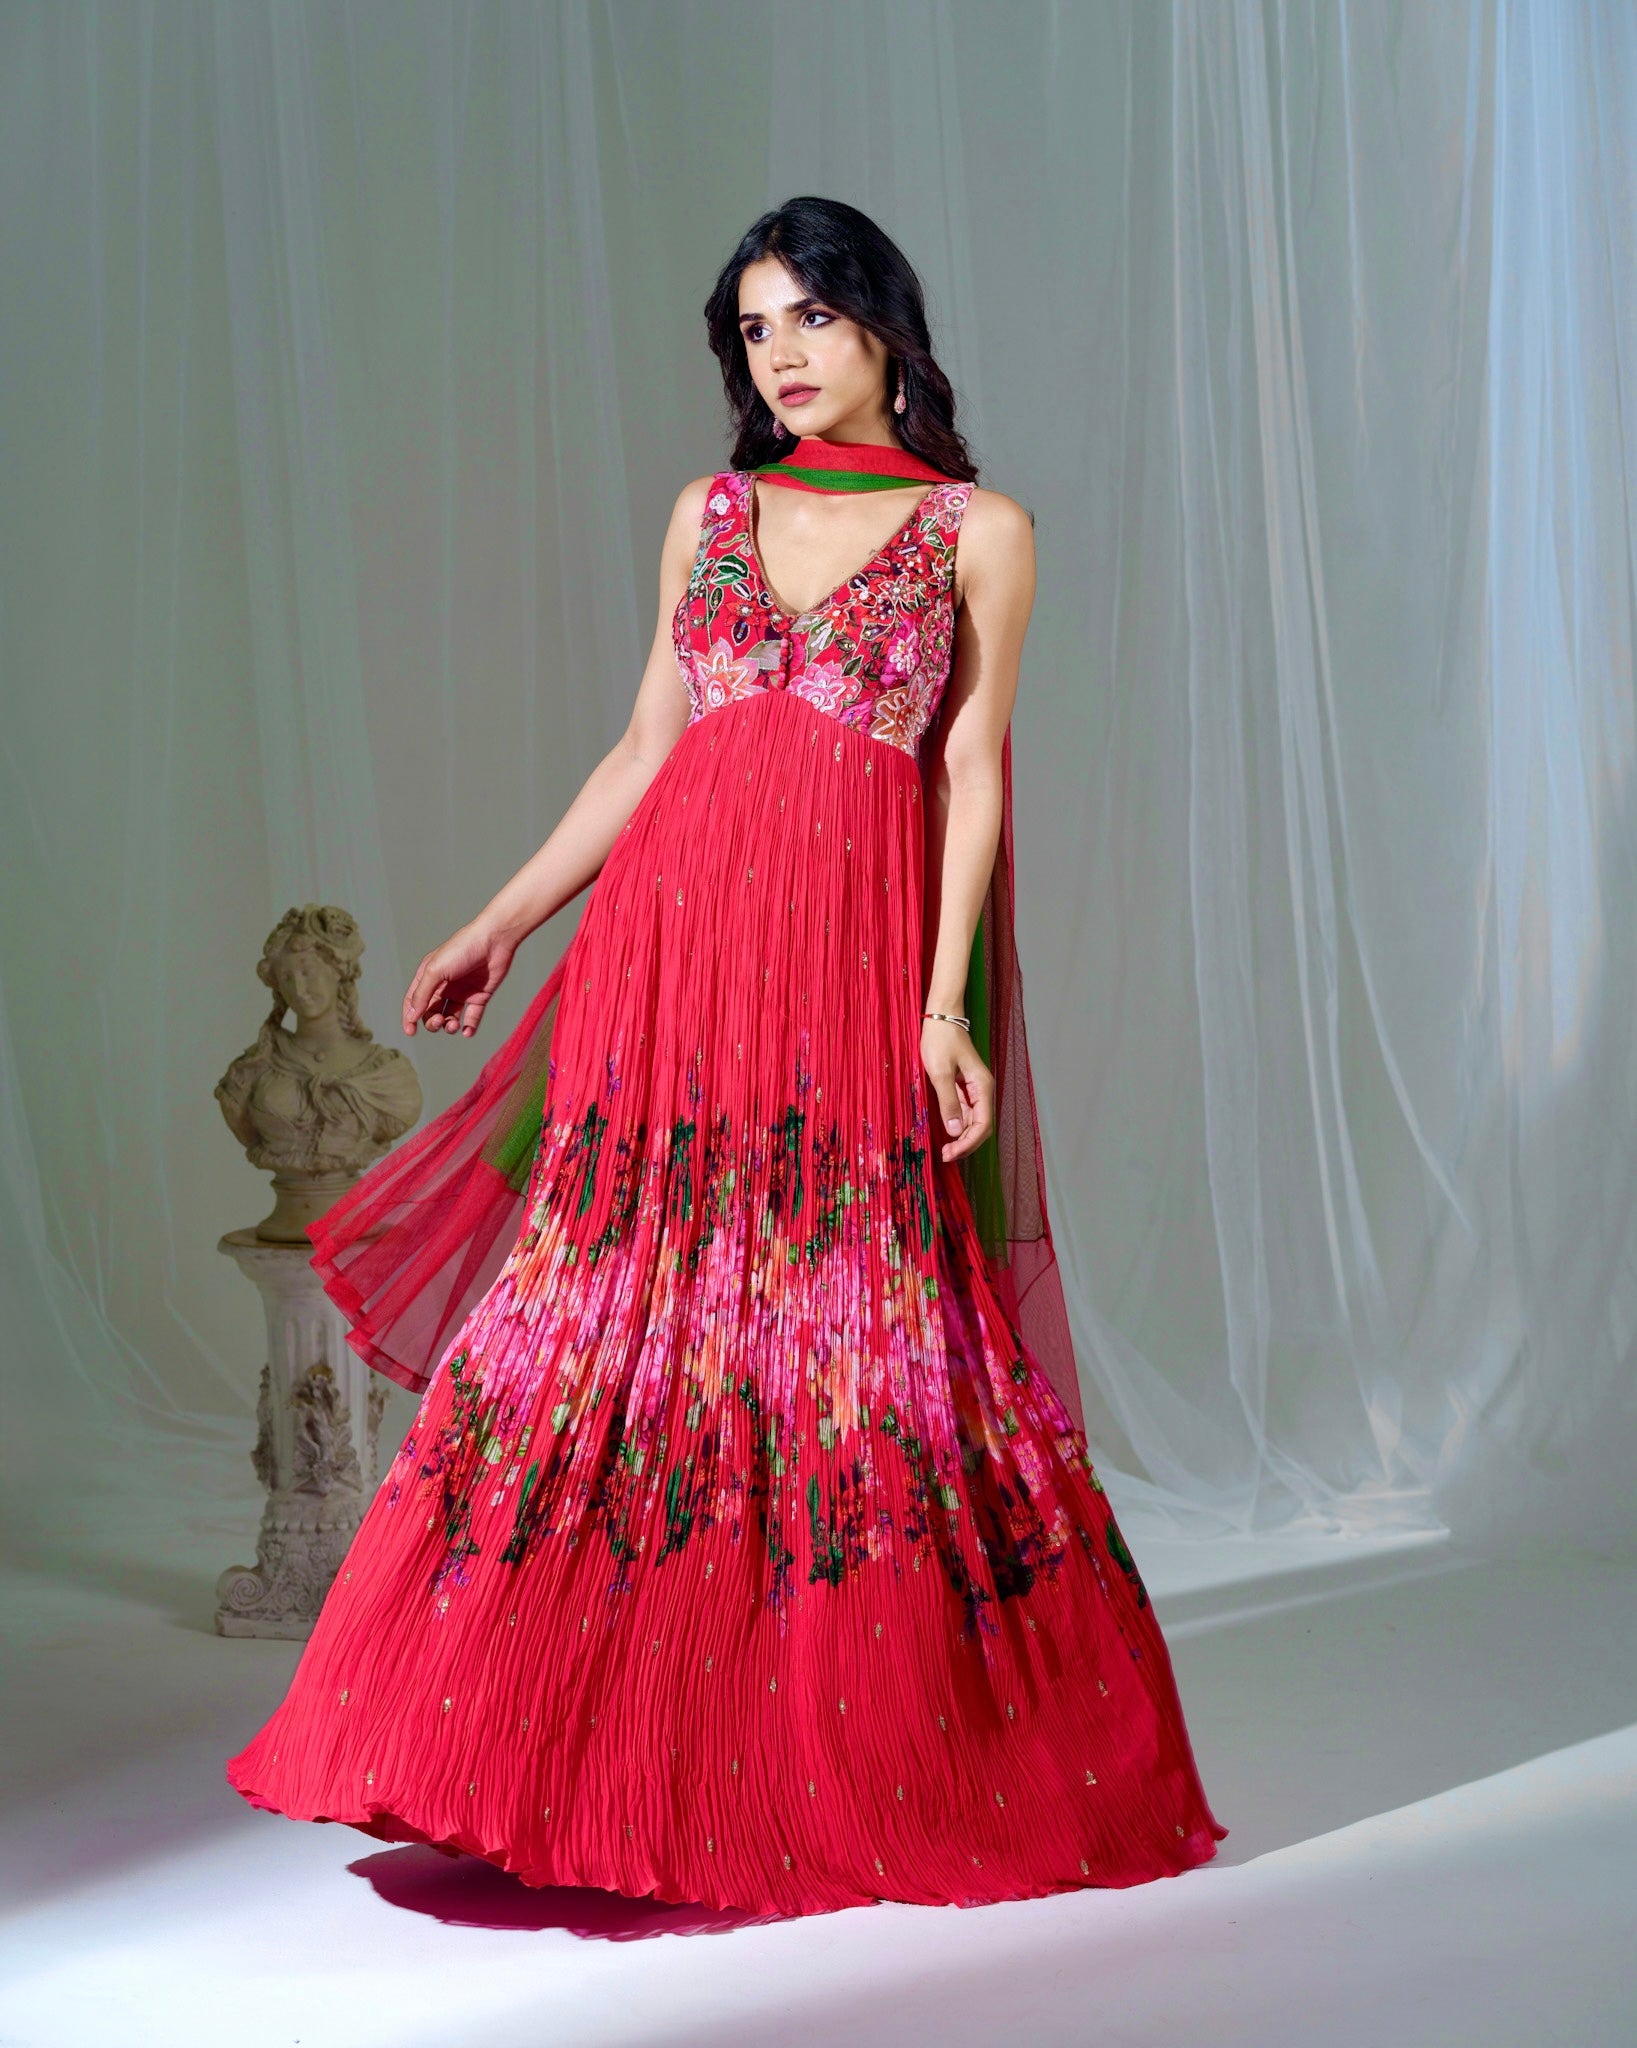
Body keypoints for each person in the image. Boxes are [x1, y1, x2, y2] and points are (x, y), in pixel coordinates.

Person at [225, 195, 1228, 1915]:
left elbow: (970, 771)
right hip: (669, 961)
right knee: (621, 1313)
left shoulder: (978, 530)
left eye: (809, 319)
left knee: (845, 1328)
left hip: (842, 971)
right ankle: (534, 1748)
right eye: (752, 329)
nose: (780, 354)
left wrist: (934, 1007)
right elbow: (641, 748)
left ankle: (836, 1737)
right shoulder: (709, 511)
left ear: (883, 327)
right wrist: (502, 919)